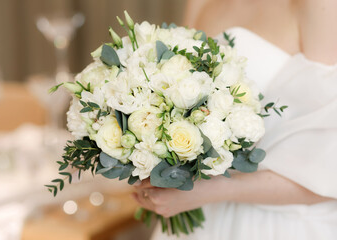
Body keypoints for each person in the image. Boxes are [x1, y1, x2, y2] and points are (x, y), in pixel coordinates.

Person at [132, 0, 337, 239]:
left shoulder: (320, 6)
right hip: (196, 215)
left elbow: (328, 168)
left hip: (277, 225)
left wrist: (214, 190)